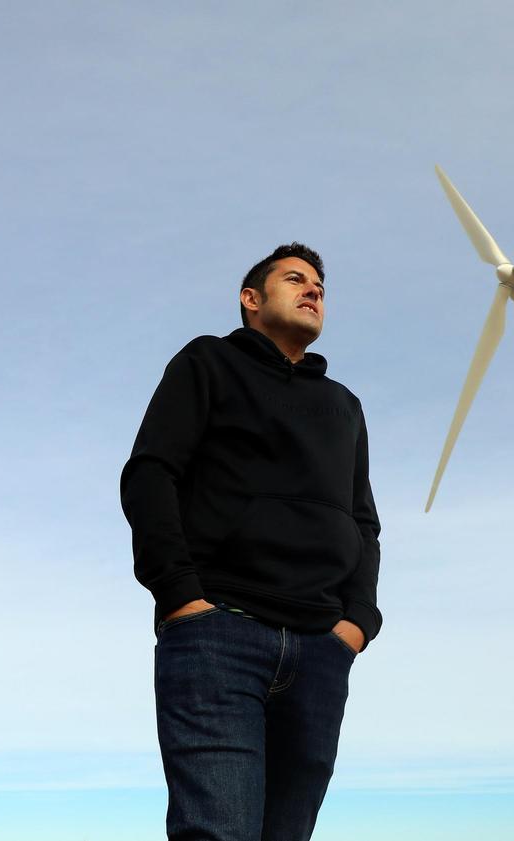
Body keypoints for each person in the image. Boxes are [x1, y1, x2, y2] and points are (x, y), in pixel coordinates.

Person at [120, 242, 381, 841]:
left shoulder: (345, 406)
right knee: (219, 832)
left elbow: (364, 521)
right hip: (218, 633)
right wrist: (180, 594)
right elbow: (151, 473)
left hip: (322, 650)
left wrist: (357, 622)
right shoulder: (208, 362)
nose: (314, 290)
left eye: (320, 285)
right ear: (251, 299)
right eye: (296, 279)